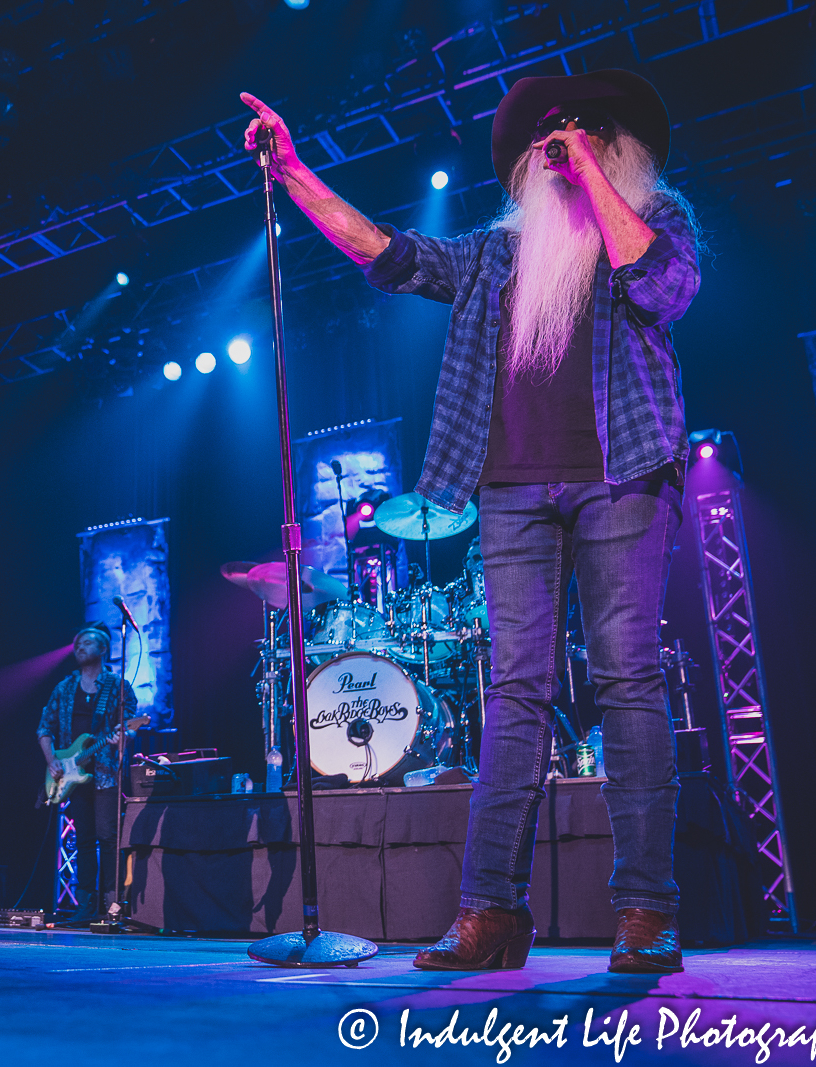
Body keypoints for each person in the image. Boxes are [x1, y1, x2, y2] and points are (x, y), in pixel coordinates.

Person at [242, 68, 698, 974]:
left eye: (579, 130)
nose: (556, 143)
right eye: (544, 137)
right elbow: (386, 252)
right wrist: (294, 173)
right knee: (515, 692)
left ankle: (646, 909)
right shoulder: (494, 255)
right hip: (513, 489)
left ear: (617, 147)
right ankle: (491, 912)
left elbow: (664, 289)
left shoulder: (653, 223)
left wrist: (591, 181)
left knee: (628, 682)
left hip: (624, 476)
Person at [38, 623, 139, 924]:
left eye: (87, 642)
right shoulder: (64, 688)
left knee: (108, 837)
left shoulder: (117, 687)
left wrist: (123, 736)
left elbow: (129, 726)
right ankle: (85, 904)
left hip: (106, 772)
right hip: (71, 774)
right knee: (83, 838)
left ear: (104, 649)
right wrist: (53, 761)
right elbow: (44, 729)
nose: (79, 646)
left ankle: (112, 903)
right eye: (77, 642)